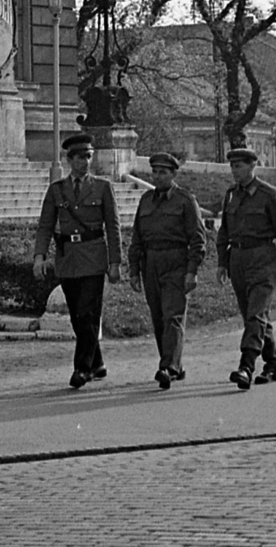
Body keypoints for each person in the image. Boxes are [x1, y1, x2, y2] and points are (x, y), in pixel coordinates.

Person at [33, 132, 122, 388]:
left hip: (94, 256)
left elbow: (113, 227)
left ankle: (82, 369)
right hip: (67, 258)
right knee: (77, 316)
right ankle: (98, 362)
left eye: (89, 156)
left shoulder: (103, 187)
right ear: (69, 160)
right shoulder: (57, 190)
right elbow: (45, 226)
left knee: (87, 312)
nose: (86, 162)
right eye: (81, 157)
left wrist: (114, 263)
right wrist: (39, 257)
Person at [215, 146, 276, 390]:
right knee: (255, 315)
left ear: (252, 167)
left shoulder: (268, 194)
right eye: (232, 166)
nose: (234, 171)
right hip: (238, 259)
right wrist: (222, 262)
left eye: (238, 166)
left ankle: (246, 366)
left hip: (263, 259)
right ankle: (272, 363)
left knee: (256, 314)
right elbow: (224, 231)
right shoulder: (231, 194)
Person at [127, 152, 207, 390]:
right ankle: (175, 365)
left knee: (173, 315)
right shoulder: (145, 200)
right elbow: (137, 239)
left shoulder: (185, 200)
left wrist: (192, 271)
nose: (158, 176)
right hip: (150, 263)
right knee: (159, 318)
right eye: (155, 172)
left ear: (173, 174)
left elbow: (198, 239)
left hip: (176, 262)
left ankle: (167, 367)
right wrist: (133, 271)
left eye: (163, 172)